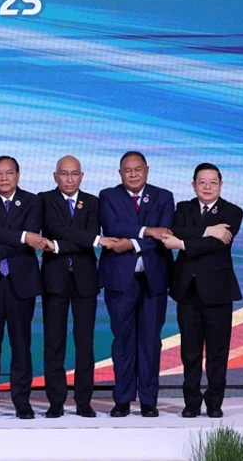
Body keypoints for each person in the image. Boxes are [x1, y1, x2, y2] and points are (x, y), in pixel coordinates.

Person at [163, 163, 243, 419]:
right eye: (202, 182)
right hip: (187, 291)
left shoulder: (233, 211)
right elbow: (176, 231)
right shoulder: (183, 208)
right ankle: (191, 403)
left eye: (213, 182)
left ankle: (215, 403)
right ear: (193, 184)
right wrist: (207, 230)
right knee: (190, 351)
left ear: (221, 184)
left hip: (218, 292)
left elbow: (215, 246)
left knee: (218, 352)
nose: (207, 187)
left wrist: (183, 244)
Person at [99, 151, 174, 418]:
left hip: (154, 280)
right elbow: (113, 225)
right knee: (123, 340)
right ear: (120, 173)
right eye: (127, 170)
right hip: (120, 280)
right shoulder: (108, 196)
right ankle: (122, 398)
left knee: (151, 341)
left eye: (137, 169)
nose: (133, 174)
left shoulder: (164, 196)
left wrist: (132, 242)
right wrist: (147, 230)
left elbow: (164, 233)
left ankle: (148, 400)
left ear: (147, 170)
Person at [0, 156, 46, 420]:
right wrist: (24, 236)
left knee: (21, 344)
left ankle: (21, 401)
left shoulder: (33, 200)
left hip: (21, 282)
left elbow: (25, 237)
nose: (3, 178)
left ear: (18, 175)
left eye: (9, 173)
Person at [39, 155, 106, 418]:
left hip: (85, 279)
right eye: (63, 174)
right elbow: (53, 227)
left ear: (81, 176)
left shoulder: (92, 202)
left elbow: (85, 239)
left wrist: (56, 245)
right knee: (54, 342)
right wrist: (93, 239)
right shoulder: (44, 200)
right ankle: (56, 401)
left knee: (84, 342)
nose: (69, 179)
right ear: (55, 176)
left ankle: (83, 401)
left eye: (74, 174)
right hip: (55, 279)